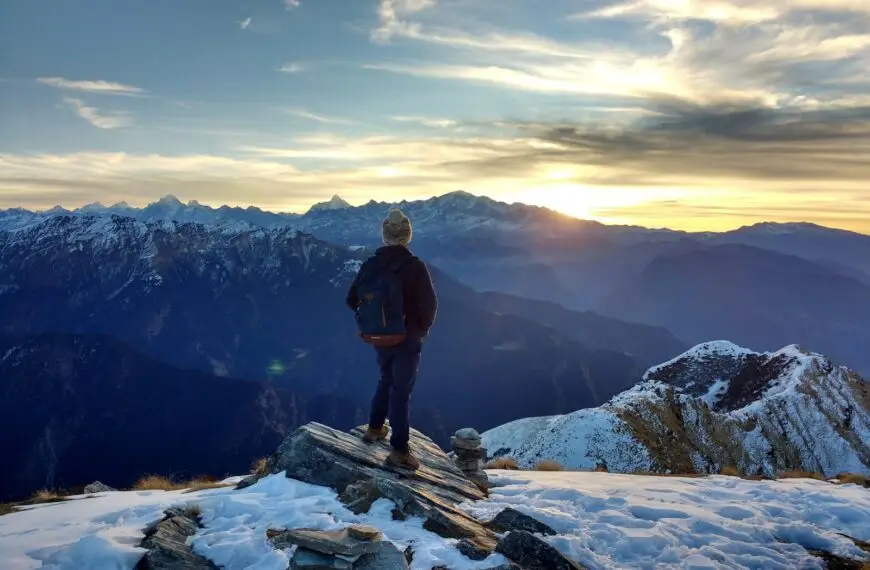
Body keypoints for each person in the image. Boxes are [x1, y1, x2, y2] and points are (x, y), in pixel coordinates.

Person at [346, 208, 438, 470]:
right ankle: (399, 450)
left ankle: (375, 428)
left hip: (378, 336)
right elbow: (429, 306)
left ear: (384, 236)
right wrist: (420, 330)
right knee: (401, 392)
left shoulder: (370, 264)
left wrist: (373, 321)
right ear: (408, 235)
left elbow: (351, 299)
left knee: (385, 378)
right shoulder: (415, 267)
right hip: (407, 338)